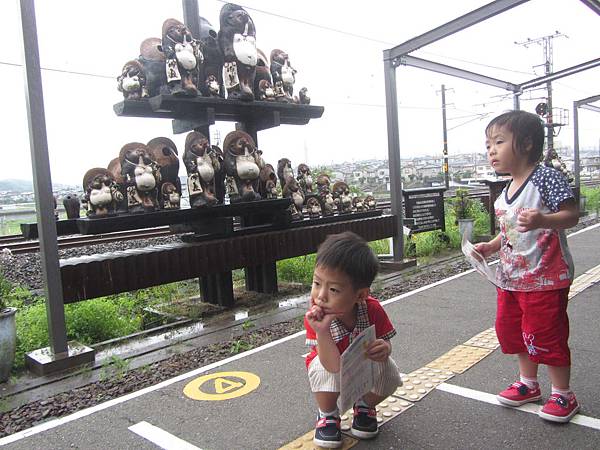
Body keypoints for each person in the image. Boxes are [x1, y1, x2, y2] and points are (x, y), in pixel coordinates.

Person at [474, 110, 580, 423]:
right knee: (515, 331)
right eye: (488, 144)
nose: (491, 150)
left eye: (499, 142)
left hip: (546, 278)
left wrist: (543, 220)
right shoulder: (505, 189)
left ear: (526, 144)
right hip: (510, 279)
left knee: (547, 334)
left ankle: (563, 394)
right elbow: (509, 230)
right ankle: (528, 383)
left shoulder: (546, 177)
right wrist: (491, 246)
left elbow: (572, 215)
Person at [304, 231, 402, 448]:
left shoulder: (372, 309)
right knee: (321, 367)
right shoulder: (315, 317)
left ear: (360, 295)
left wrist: (384, 348)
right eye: (317, 283)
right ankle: (328, 414)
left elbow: (386, 341)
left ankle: (364, 406)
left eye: (334, 289)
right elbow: (331, 366)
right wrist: (322, 331)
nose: (320, 295)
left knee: (390, 372)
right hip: (332, 368)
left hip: (361, 368)